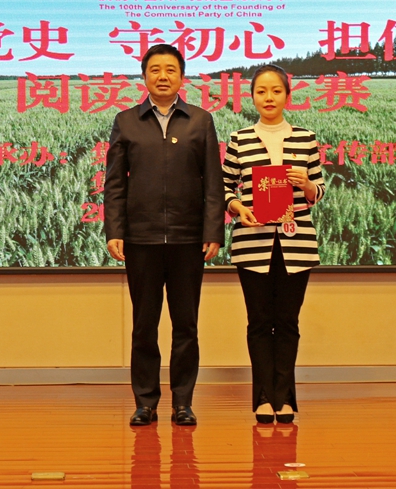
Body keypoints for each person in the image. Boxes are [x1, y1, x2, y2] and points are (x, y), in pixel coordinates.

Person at [104, 44, 224, 427]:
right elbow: (114, 184)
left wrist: (213, 230)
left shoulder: (200, 120)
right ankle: (145, 403)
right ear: (144, 77)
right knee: (144, 325)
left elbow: (213, 181)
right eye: (154, 69)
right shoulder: (126, 121)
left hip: (189, 240)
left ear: (181, 77)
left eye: (170, 69)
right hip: (141, 239)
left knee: (186, 325)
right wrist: (115, 230)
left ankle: (183, 403)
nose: (162, 76)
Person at [222, 64, 325, 424]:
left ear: (287, 96)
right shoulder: (239, 139)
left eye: (276, 91)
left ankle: (286, 398)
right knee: (258, 322)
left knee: (288, 323)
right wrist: (237, 207)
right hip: (252, 242)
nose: (269, 97)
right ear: (252, 97)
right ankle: (264, 398)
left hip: (297, 244)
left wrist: (307, 186)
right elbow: (224, 187)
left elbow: (319, 190)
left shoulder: (306, 138)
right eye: (261, 91)